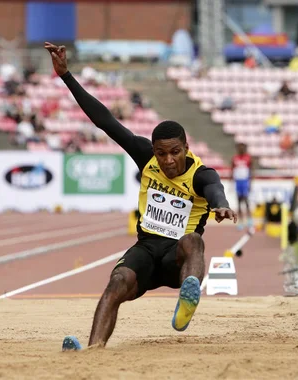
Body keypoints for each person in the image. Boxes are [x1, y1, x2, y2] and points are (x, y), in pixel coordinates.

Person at [43, 42, 238, 350]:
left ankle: (188, 297)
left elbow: (215, 189)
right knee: (117, 281)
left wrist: (222, 205)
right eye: (161, 154)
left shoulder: (201, 174)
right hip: (146, 249)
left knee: (194, 241)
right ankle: (93, 350)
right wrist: (67, 75)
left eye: (175, 152)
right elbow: (105, 121)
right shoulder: (145, 156)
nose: (168, 160)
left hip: (178, 257)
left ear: (186, 148)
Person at [231, 142, 253, 230]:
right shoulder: (234, 158)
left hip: (245, 181)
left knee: (246, 201)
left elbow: (251, 171)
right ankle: (241, 221)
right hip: (238, 182)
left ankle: (249, 220)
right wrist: (231, 181)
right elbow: (232, 170)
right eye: (239, 148)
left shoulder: (248, 158)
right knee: (239, 202)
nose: (241, 149)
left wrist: (250, 183)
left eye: (242, 148)